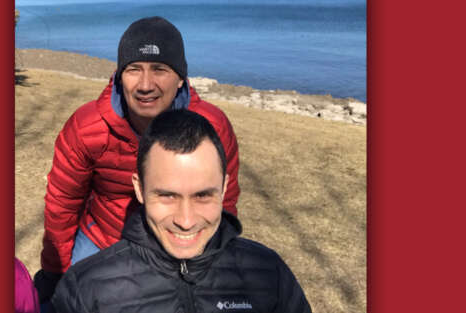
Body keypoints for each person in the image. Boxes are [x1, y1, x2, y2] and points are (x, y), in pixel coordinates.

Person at [35, 16, 241, 304]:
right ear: (120, 76)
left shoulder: (211, 127)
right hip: (105, 235)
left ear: (181, 77)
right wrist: (54, 271)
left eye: (159, 69)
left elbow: (224, 198)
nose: (145, 85)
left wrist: (215, 254)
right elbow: (63, 202)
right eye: (134, 69)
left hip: (180, 235)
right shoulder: (87, 128)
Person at [52, 110, 311, 313]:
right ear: (139, 189)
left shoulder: (268, 274)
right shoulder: (86, 290)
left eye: (202, 195)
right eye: (166, 195)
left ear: (224, 189)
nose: (185, 221)